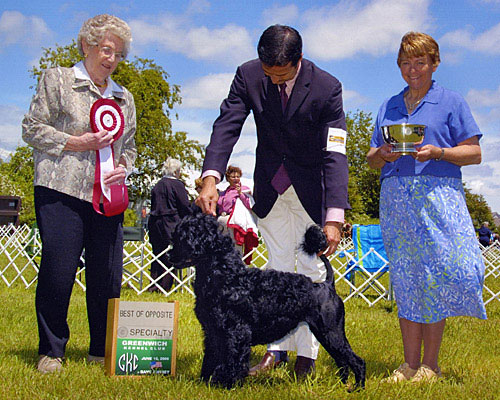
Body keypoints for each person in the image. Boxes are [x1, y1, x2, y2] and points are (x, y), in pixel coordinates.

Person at [196, 24, 349, 377]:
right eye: (269, 73)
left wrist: (334, 217)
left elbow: (335, 154)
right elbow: (227, 125)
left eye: (282, 74)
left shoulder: (328, 87)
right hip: (270, 187)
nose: (274, 80)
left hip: (314, 189)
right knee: (276, 269)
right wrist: (210, 178)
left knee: (311, 270)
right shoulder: (247, 75)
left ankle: (307, 357)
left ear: (298, 60)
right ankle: (275, 351)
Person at [367, 32, 487, 383]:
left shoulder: (451, 101)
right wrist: (382, 154)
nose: (412, 69)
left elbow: (475, 153)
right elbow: (373, 157)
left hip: (438, 197)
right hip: (396, 199)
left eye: (420, 62)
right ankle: (408, 364)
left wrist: (439, 152)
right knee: (405, 278)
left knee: (437, 275)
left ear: (434, 63)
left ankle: (430, 366)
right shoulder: (388, 105)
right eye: (405, 62)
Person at [22, 14, 136, 373]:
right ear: (86, 45)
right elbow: (31, 128)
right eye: (106, 50)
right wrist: (74, 142)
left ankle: (101, 350)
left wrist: (124, 168)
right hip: (60, 189)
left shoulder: (124, 97)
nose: (112, 60)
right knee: (59, 270)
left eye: (119, 55)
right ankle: (51, 350)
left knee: (107, 272)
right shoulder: (57, 80)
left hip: (108, 196)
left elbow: (129, 147)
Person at [147, 158, 191, 292]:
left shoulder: (157, 185)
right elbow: (184, 205)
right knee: (171, 253)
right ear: (176, 171)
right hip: (171, 222)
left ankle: (154, 284)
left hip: (155, 222)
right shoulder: (177, 185)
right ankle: (165, 286)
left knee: (157, 254)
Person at [217, 165, 253, 254]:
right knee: (222, 248)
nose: (236, 179)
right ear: (228, 178)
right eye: (233, 177)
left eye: (238, 176)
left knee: (235, 248)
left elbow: (249, 204)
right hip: (222, 221)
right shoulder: (224, 191)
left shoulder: (245, 189)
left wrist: (240, 193)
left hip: (235, 222)